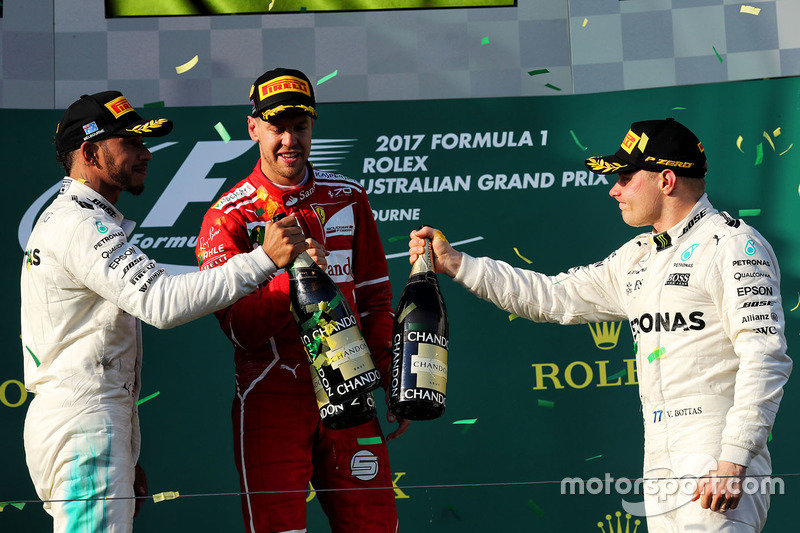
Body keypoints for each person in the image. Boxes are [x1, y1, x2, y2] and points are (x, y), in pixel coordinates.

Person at [409, 118, 791, 532]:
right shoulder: (637, 256)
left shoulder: (733, 245)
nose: (614, 189)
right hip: (659, 453)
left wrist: (734, 458)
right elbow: (551, 296)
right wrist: (456, 263)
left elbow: (764, 356)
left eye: (625, 178)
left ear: (666, 180)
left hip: (716, 449)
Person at [20, 90, 310, 533]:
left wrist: (124, 450)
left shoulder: (74, 218)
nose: (146, 154)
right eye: (131, 143)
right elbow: (159, 301)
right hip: (83, 425)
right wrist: (263, 259)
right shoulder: (79, 224)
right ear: (91, 152)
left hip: (84, 423)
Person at [195, 68, 408, 533]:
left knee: (374, 527)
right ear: (253, 128)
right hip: (272, 391)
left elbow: (375, 298)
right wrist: (286, 276)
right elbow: (240, 330)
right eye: (277, 127)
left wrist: (388, 368)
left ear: (313, 126)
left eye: (300, 126)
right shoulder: (228, 217)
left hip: (350, 385)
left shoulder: (348, 196)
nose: (289, 140)